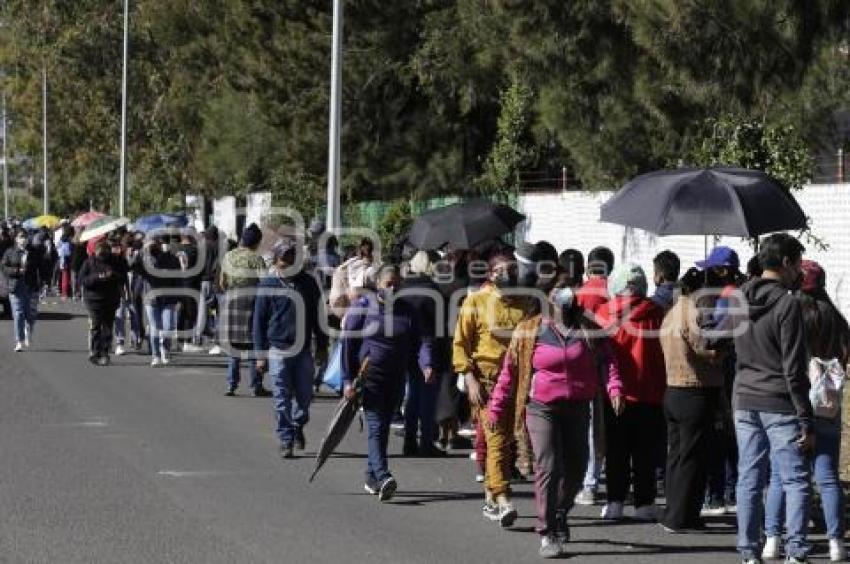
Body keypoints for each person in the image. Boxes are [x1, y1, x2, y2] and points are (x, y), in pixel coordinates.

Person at [489, 280, 623, 558]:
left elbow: (608, 360)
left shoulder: (588, 327)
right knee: (548, 466)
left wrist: (614, 387)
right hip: (541, 407)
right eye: (557, 292)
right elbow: (509, 371)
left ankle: (560, 510)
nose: (564, 297)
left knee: (577, 467)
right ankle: (547, 531)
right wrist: (497, 407)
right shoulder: (530, 329)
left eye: (569, 292)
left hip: (578, 405)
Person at [762, 259, 850, 563]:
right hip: (827, 403)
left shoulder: (788, 313)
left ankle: (772, 539)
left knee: (780, 475)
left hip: (792, 402)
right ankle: (837, 542)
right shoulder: (837, 320)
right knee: (827, 476)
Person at [732, 233, 812, 564]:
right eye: (797, 266)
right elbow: (794, 368)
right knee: (795, 479)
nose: (799, 274)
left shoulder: (737, 298)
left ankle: (749, 551)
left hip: (744, 395)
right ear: (787, 263)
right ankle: (795, 551)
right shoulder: (788, 304)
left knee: (749, 477)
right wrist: (805, 416)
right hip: (779, 399)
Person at [341, 264, 432, 502]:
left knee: (382, 425)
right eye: (388, 283)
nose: (393, 288)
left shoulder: (407, 310)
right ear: (378, 284)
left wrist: (426, 364)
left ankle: (371, 476)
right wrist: (347, 380)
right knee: (376, 424)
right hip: (370, 377)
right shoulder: (363, 308)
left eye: (396, 283)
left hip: (397, 377)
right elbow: (348, 345)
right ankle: (383, 476)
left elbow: (422, 339)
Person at [452, 252, 527, 527]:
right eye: (506, 270)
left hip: (518, 383)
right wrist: (469, 378)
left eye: (514, 270)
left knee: (506, 443)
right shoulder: (475, 302)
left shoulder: (525, 304)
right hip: (485, 384)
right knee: (495, 441)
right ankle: (504, 498)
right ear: (492, 274)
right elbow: (460, 345)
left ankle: (490, 498)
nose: (512, 274)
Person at [659, 267, 728, 533]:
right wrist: (723, 350)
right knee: (693, 457)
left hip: (673, 388)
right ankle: (682, 516)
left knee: (677, 455)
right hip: (695, 389)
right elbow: (704, 348)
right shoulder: (693, 314)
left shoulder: (672, 312)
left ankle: (675, 511)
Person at [595, 263, 667, 522]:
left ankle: (614, 501)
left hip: (613, 392)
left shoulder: (602, 313)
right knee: (645, 451)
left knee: (615, 449)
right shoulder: (656, 313)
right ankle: (644, 503)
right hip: (650, 391)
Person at [254, 239, 329, 459]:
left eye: (292, 257)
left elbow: (319, 317)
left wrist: (323, 346)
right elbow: (258, 322)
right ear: (276, 260)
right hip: (278, 349)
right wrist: (260, 356)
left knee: (305, 397)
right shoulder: (268, 285)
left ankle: (298, 425)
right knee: (281, 396)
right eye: (284, 257)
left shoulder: (308, 283)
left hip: (303, 349)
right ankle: (285, 438)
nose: (288, 261)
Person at [574, 246, 614, 507]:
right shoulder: (613, 290)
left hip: (581, 366)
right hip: (611, 366)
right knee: (602, 427)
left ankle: (588, 483)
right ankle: (596, 479)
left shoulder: (580, 293)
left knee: (587, 427)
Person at [399, 250, 447, 457]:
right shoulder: (433, 291)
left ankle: (409, 440)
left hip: (406, 347)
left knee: (412, 396)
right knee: (428, 397)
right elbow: (441, 324)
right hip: (429, 347)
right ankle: (426, 440)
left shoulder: (401, 288)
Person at [219, 223, 271, 396]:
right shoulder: (256, 259)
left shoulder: (228, 256)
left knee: (233, 345)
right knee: (251, 343)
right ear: (256, 242)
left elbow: (222, 282)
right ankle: (256, 385)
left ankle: (231, 384)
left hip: (231, 300)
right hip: (251, 301)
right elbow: (265, 283)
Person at [80, 238, 129, 365]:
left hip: (111, 299)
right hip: (93, 300)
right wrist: (96, 277)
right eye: (100, 252)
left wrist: (111, 275)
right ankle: (95, 352)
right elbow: (83, 280)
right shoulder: (89, 263)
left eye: (105, 252)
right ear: (95, 252)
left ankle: (105, 352)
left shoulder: (116, 262)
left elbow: (123, 277)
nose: (102, 254)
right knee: (96, 326)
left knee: (108, 328)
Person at [141, 236, 183, 366]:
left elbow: (178, 279)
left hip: (169, 298)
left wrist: (179, 298)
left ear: (160, 245)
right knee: (155, 327)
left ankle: (165, 349)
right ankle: (155, 355)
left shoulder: (171, 259)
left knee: (168, 326)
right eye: (150, 245)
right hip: (152, 298)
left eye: (155, 244)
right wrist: (142, 252)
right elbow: (132, 266)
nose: (153, 247)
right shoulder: (145, 259)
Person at [2, 230, 41, 351]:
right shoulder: (10, 252)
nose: (23, 239)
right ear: (16, 239)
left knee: (30, 315)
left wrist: (45, 281)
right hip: (15, 286)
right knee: (18, 313)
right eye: (21, 237)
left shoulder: (34, 251)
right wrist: (16, 271)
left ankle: (28, 330)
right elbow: (3, 267)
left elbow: (42, 266)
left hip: (31, 286)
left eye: (25, 237)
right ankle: (19, 341)